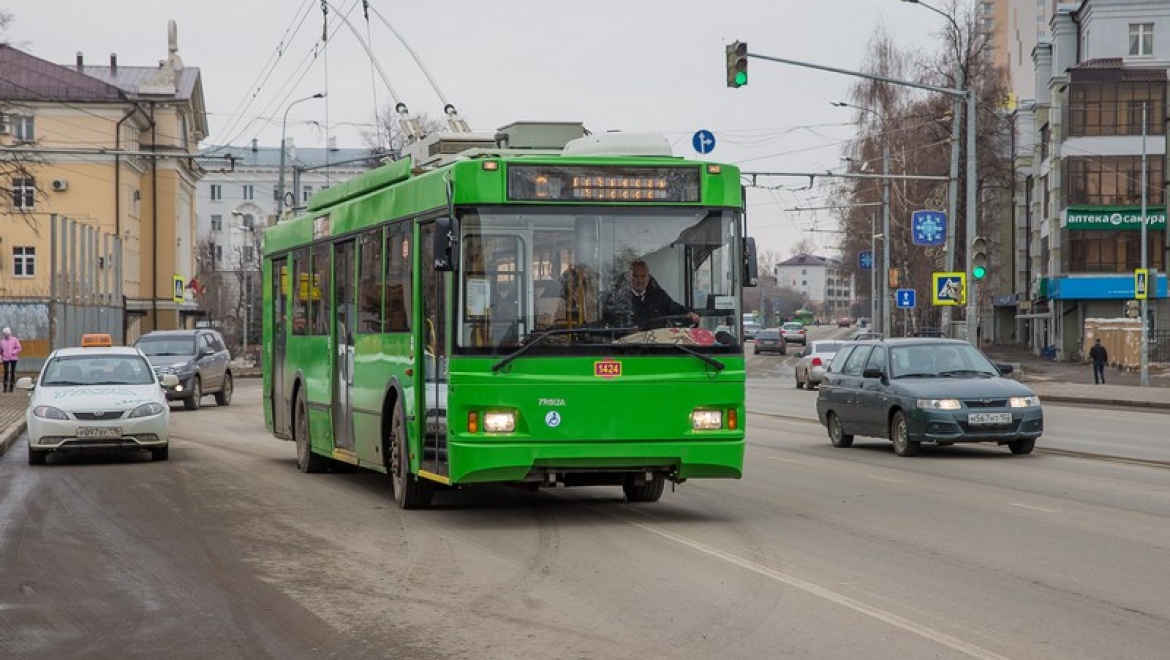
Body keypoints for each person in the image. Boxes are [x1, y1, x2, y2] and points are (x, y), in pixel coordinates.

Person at [604, 260, 699, 330]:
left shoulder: (659, 296)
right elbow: (609, 322)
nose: (640, 280)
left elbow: (675, 308)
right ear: (629, 278)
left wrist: (689, 314)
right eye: (636, 276)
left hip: (655, 350)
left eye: (643, 276)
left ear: (649, 277)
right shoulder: (617, 298)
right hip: (626, 351)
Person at [1, 327, 21, 392]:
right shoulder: (2, 341)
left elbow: (19, 348)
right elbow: (0, 350)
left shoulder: (14, 340)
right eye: (4, 334)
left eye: (6, 333)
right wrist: (1, 355)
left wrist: (13, 352)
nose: (5, 335)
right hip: (5, 358)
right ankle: (5, 386)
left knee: (12, 372)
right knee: (6, 372)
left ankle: (11, 387)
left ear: (9, 333)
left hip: (13, 358)